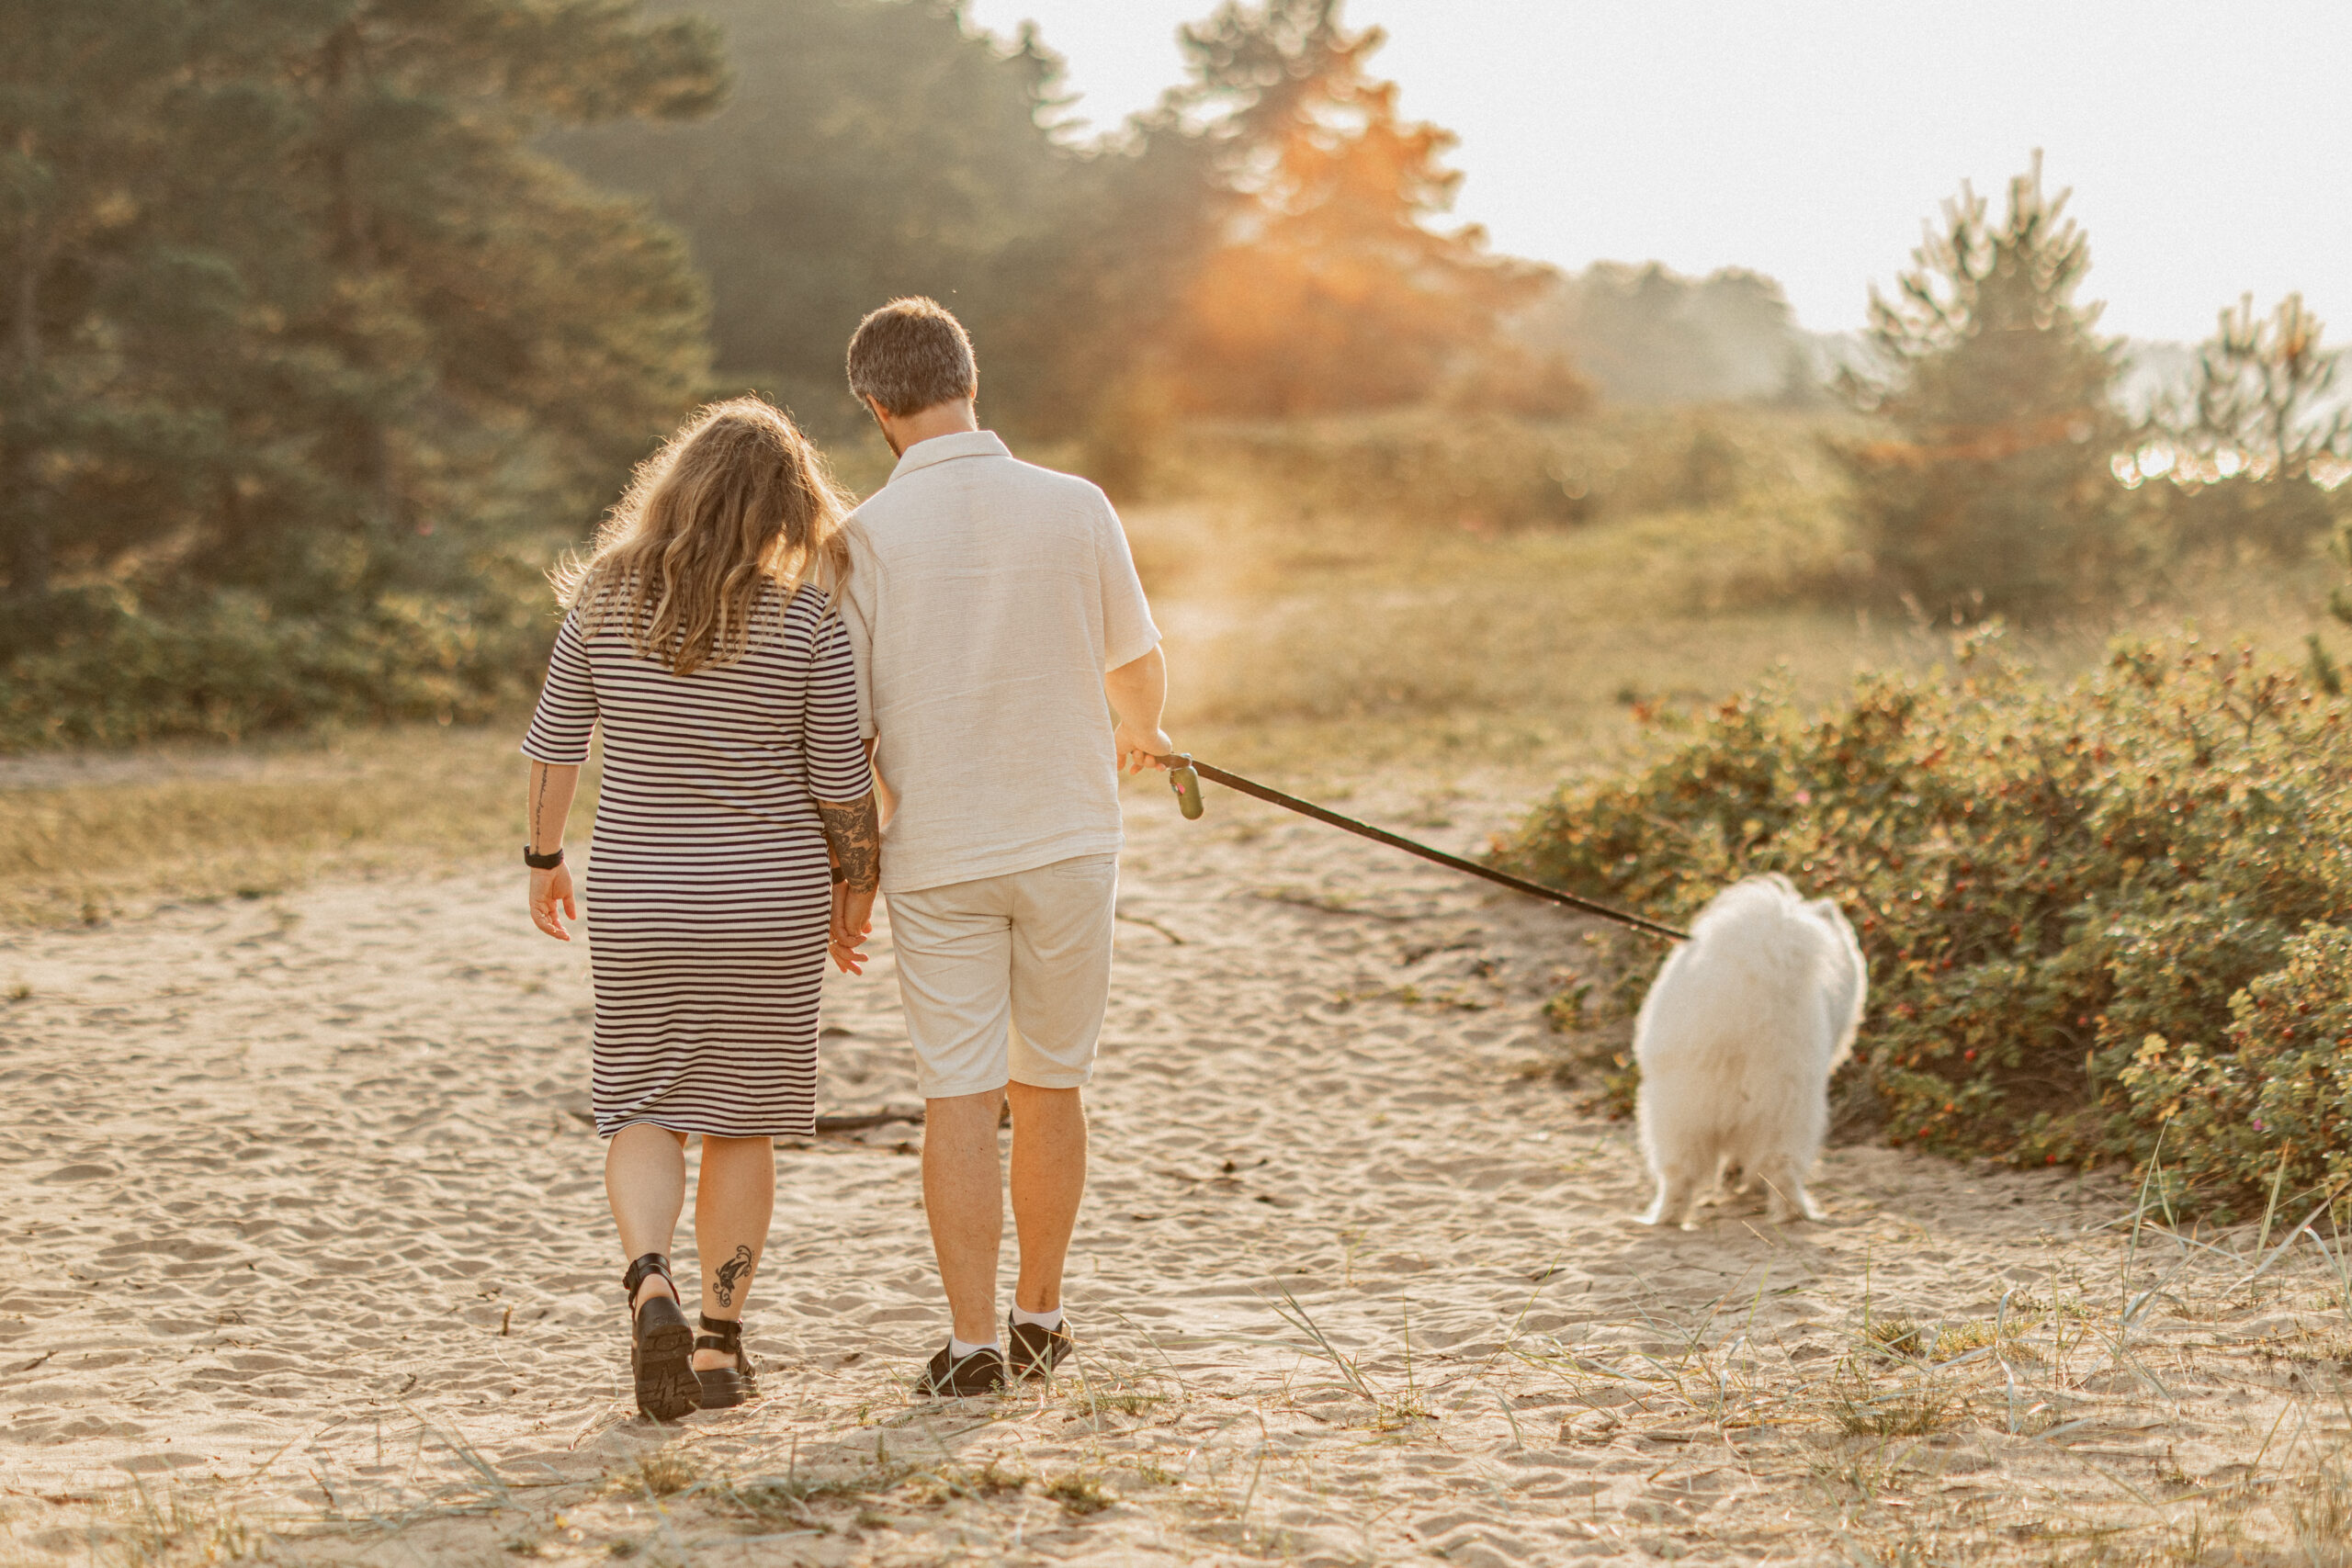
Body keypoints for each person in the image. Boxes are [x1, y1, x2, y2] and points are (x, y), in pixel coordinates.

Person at [834, 297, 1175, 1396]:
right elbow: (1136, 660)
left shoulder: (861, 540)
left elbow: (852, 728)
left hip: (938, 851)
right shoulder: (1075, 504)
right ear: (969, 381)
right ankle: (1042, 1313)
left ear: (878, 407)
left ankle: (972, 1343)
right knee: (1053, 1085)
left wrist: (859, 860)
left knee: (957, 1099)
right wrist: (1143, 735)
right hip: (1071, 838)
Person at [520, 399, 881, 1421]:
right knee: (741, 1123)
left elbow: (555, 741)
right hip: (767, 899)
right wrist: (858, 884)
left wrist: (544, 855)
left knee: (639, 1102)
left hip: (640, 892)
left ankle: (649, 1282)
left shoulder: (603, 595)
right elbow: (839, 782)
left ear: (673, 486)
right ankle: (719, 1349)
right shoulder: (808, 618)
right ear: (788, 507)